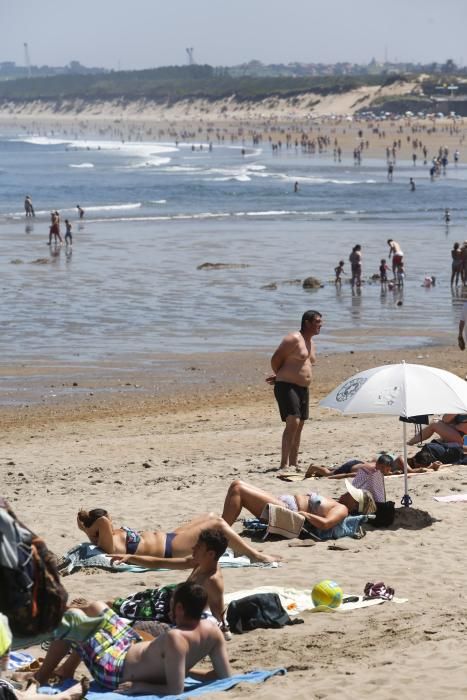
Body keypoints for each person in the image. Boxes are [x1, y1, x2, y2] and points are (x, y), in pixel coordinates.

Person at [30, 583, 231, 696]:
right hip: (130, 644)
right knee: (97, 607)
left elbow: (175, 690)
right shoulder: (213, 632)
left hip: (115, 669)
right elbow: (224, 676)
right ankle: (66, 670)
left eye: (172, 605)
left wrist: (142, 687)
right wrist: (189, 670)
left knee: (72, 619)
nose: (169, 609)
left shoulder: (176, 638)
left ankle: (39, 678)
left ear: (179, 608)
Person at [111, 528, 228, 630]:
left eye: (199, 546)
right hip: (167, 594)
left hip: (166, 610)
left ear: (211, 554)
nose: (194, 548)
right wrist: (131, 558)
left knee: (112, 604)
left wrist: (223, 626)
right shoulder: (198, 562)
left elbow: (218, 612)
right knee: (119, 600)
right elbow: (161, 563)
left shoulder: (213, 581)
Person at [77, 508, 277, 563]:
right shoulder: (108, 545)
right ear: (96, 532)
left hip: (171, 536)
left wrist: (87, 526)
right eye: (107, 523)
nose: (110, 523)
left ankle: (237, 546)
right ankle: (255, 556)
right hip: (171, 549)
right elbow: (103, 521)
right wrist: (86, 529)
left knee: (211, 516)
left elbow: (104, 520)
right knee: (217, 524)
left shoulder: (109, 535)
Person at [266, 310, 322, 470]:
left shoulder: (311, 343)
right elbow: (276, 359)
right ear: (307, 323)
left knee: (300, 424)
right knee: (293, 421)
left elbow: (304, 366)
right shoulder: (293, 338)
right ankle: (283, 464)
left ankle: (294, 462)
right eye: (317, 321)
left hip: (303, 388)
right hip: (287, 386)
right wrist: (281, 375)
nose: (321, 325)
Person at [221, 478, 375, 533]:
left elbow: (326, 524)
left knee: (238, 488)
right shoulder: (338, 504)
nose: (346, 493)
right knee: (238, 486)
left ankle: (220, 531)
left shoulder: (343, 509)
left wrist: (306, 515)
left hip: (288, 514)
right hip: (284, 507)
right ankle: (221, 529)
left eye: (350, 494)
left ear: (354, 504)